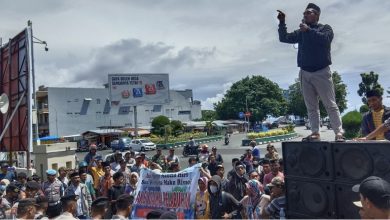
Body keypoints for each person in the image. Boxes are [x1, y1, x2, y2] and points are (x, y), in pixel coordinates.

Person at [277, 3, 345, 142]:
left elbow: (325, 40)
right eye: (304, 13)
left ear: (317, 15)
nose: (305, 15)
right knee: (311, 107)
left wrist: (308, 30)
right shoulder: (301, 32)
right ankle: (315, 133)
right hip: (305, 72)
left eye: (308, 12)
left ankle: (338, 132)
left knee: (330, 104)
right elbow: (284, 38)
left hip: (321, 71)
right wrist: (282, 22)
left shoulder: (325, 28)